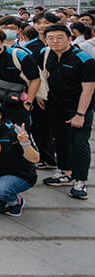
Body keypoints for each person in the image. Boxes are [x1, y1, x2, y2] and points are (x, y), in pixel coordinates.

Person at [40, 24, 94, 199]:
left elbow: (88, 89)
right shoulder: (45, 54)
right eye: (50, 38)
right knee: (60, 140)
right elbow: (40, 77)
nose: (55, 41)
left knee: (79, 143)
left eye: (59, 37)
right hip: (54, 106)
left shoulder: (84, 59)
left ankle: (81, 181)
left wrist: (80, 114)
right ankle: (65, 172)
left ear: (70, 38)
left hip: (77, 108)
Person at [0, 98, 39, 215]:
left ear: (0, 113)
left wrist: (24, 142)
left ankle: (16, 201)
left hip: (18, 173)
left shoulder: (15, 130)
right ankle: (4, 193)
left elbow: (35, 158)